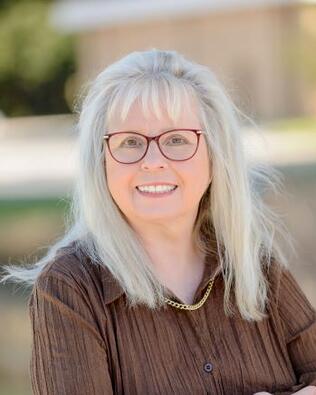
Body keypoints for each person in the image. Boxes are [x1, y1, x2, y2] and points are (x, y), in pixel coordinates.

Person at [1, 49, 315, 395]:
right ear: (102, 161)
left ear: (215, 155)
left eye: (177, 139)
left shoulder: (255, 266)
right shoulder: (70, 289)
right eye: (130, 142)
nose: (152, 161)